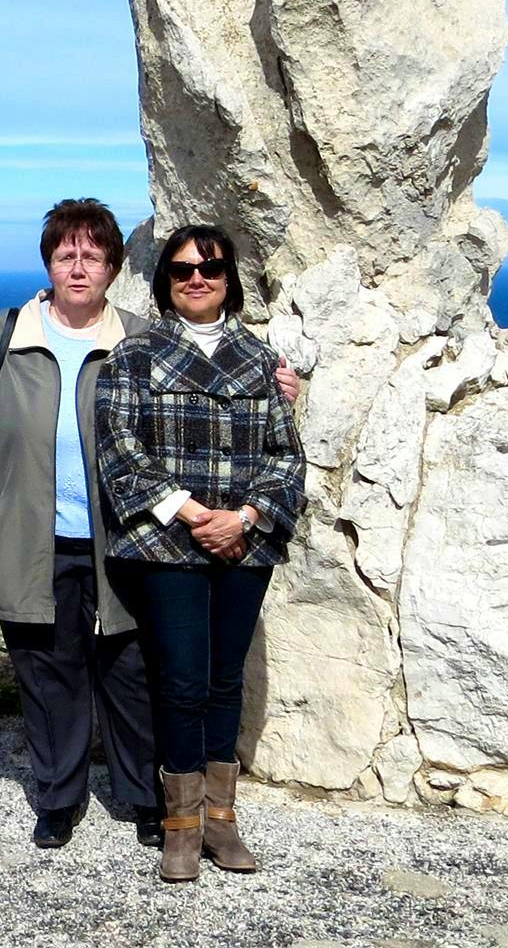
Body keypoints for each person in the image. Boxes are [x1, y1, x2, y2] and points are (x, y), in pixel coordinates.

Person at [0, 199, 303, 854]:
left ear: (112, 266)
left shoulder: (136, 337)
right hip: (28, 533)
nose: (79, 266)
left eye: (93, 254)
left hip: (122, 536)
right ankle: (57, 798)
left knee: (131, 672)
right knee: (48, 674)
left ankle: (145, 798)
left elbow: (201, 386)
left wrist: (277, 386)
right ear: (49, 261)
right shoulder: (4, 334)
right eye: (65, 253)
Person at [95, 224, 306, 883]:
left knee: (223, 682)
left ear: (228, 278)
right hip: (168, 543)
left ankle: (222, 821)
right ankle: (180, 830)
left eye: (210, 268)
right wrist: (193, 514)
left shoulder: (263, 360)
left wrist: (242, 516)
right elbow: (120, 450)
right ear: (165, 279)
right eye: (183, 268)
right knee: (182, 681)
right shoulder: (135, 355)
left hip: (244, 541)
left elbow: (286, 457)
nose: (196, 277)